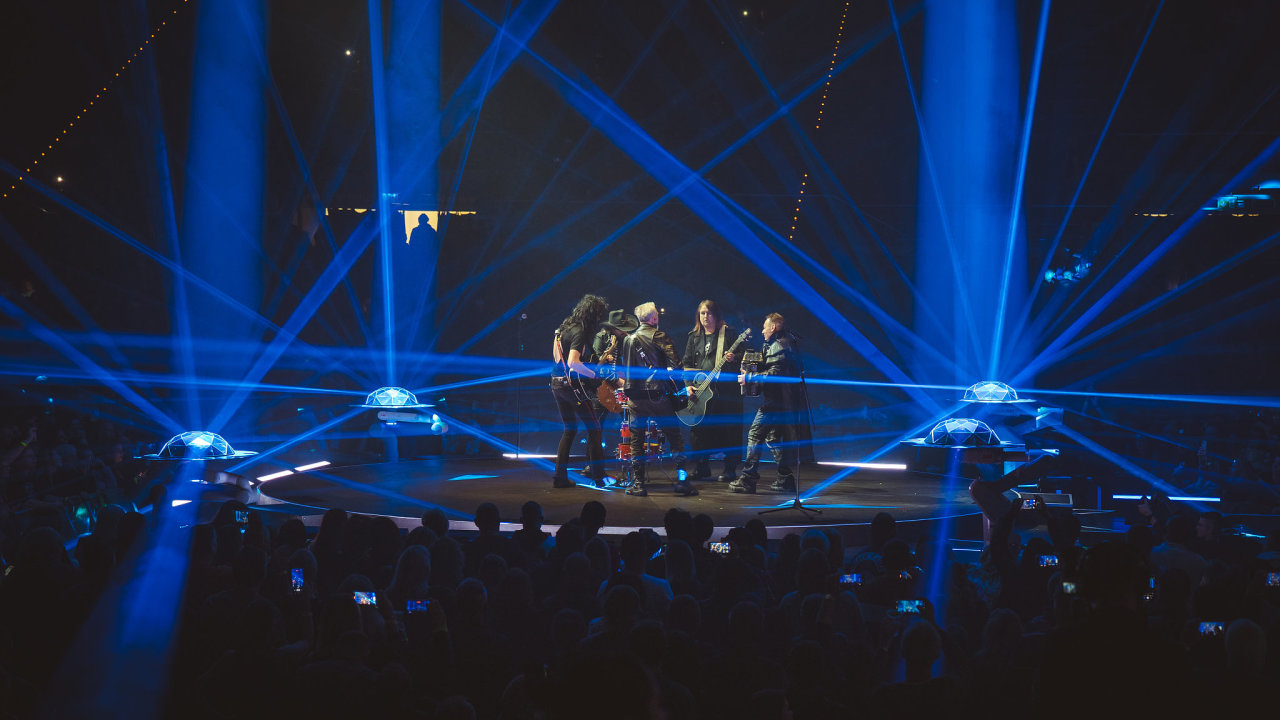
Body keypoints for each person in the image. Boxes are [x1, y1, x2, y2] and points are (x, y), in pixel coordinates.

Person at [621, 301, 696, 497]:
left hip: (635, 397)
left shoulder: (628, 340)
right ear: (653, 318)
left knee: (636, 441)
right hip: (658, 396)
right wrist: (681, 388)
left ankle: (639, 484)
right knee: (675, 438)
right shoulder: (659, 336)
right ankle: (682, 481)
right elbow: (677, 365)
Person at [732, 313, 800, 493]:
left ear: (773, 327)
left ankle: (748, 479)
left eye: (765, 327)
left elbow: (775, 375)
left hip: (775, 403)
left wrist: (749, 377)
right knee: (772, 438)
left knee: (755, 434)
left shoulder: (780, 345)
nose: (762, 331)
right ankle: (785, 479)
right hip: (781, 402)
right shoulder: (782, 343)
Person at [681, 300, 744, 483]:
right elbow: (687, 364)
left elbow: (744, 356)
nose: (705, 317)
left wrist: (733, 358)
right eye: (702, 313)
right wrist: (688, 385)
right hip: (701, 392)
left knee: (728, 429)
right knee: (699, 430)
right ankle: (702, 467)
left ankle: (730, 469)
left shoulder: (729, 334)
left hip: (725, 393)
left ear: (716, 315)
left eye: (708, 313)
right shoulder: (693, 337)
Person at [551, 294, 610, 488]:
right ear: (592, 314)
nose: (599, 319)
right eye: (598, 315)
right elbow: (573, 363)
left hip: (556, 383)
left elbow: (557, 358)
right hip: (571, 388)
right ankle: (599, 477)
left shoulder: (562, 329)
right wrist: (592, 375)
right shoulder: (580, 332)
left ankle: (559, 477)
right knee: (595, 428)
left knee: (570, 429)